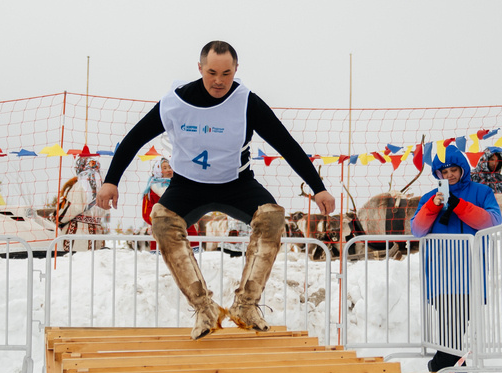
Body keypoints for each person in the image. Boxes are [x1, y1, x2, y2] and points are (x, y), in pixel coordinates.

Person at [97, 40, 335, 339]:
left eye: (226, 73)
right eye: (212, 73)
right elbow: (134, 138)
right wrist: (111, 180)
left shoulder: (247, 103)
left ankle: (246, 305)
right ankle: (204, 308)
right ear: (200, 68)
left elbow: (286, 144)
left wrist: (318, 188)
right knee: (162, 221)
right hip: (187, 185)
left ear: (236, 69)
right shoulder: (175, 102)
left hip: (237, 183)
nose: (219, 81)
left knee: (272, 217)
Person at [410, 145, 502, 373]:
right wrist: (433, 206)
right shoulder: (428, 198)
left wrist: (459, 205)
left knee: (454, 326)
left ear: (462, 169)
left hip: (470, 273)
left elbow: (492, 221)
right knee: (452, 325)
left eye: (453, 170)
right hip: (440, 274)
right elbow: (417, 229)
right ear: (438, 174)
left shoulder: (482, 193)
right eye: (444, 172)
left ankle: (441, 366)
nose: (449, 175)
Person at [141, 157, 199, 251]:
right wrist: (157, 221)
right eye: (165, 168)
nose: (169, 170)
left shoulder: (181, 187)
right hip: (161, 227)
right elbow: (146, 212)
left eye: (170, 167)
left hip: (183, 225)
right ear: (158, 171)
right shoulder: (150, 191)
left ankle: (194, 250)